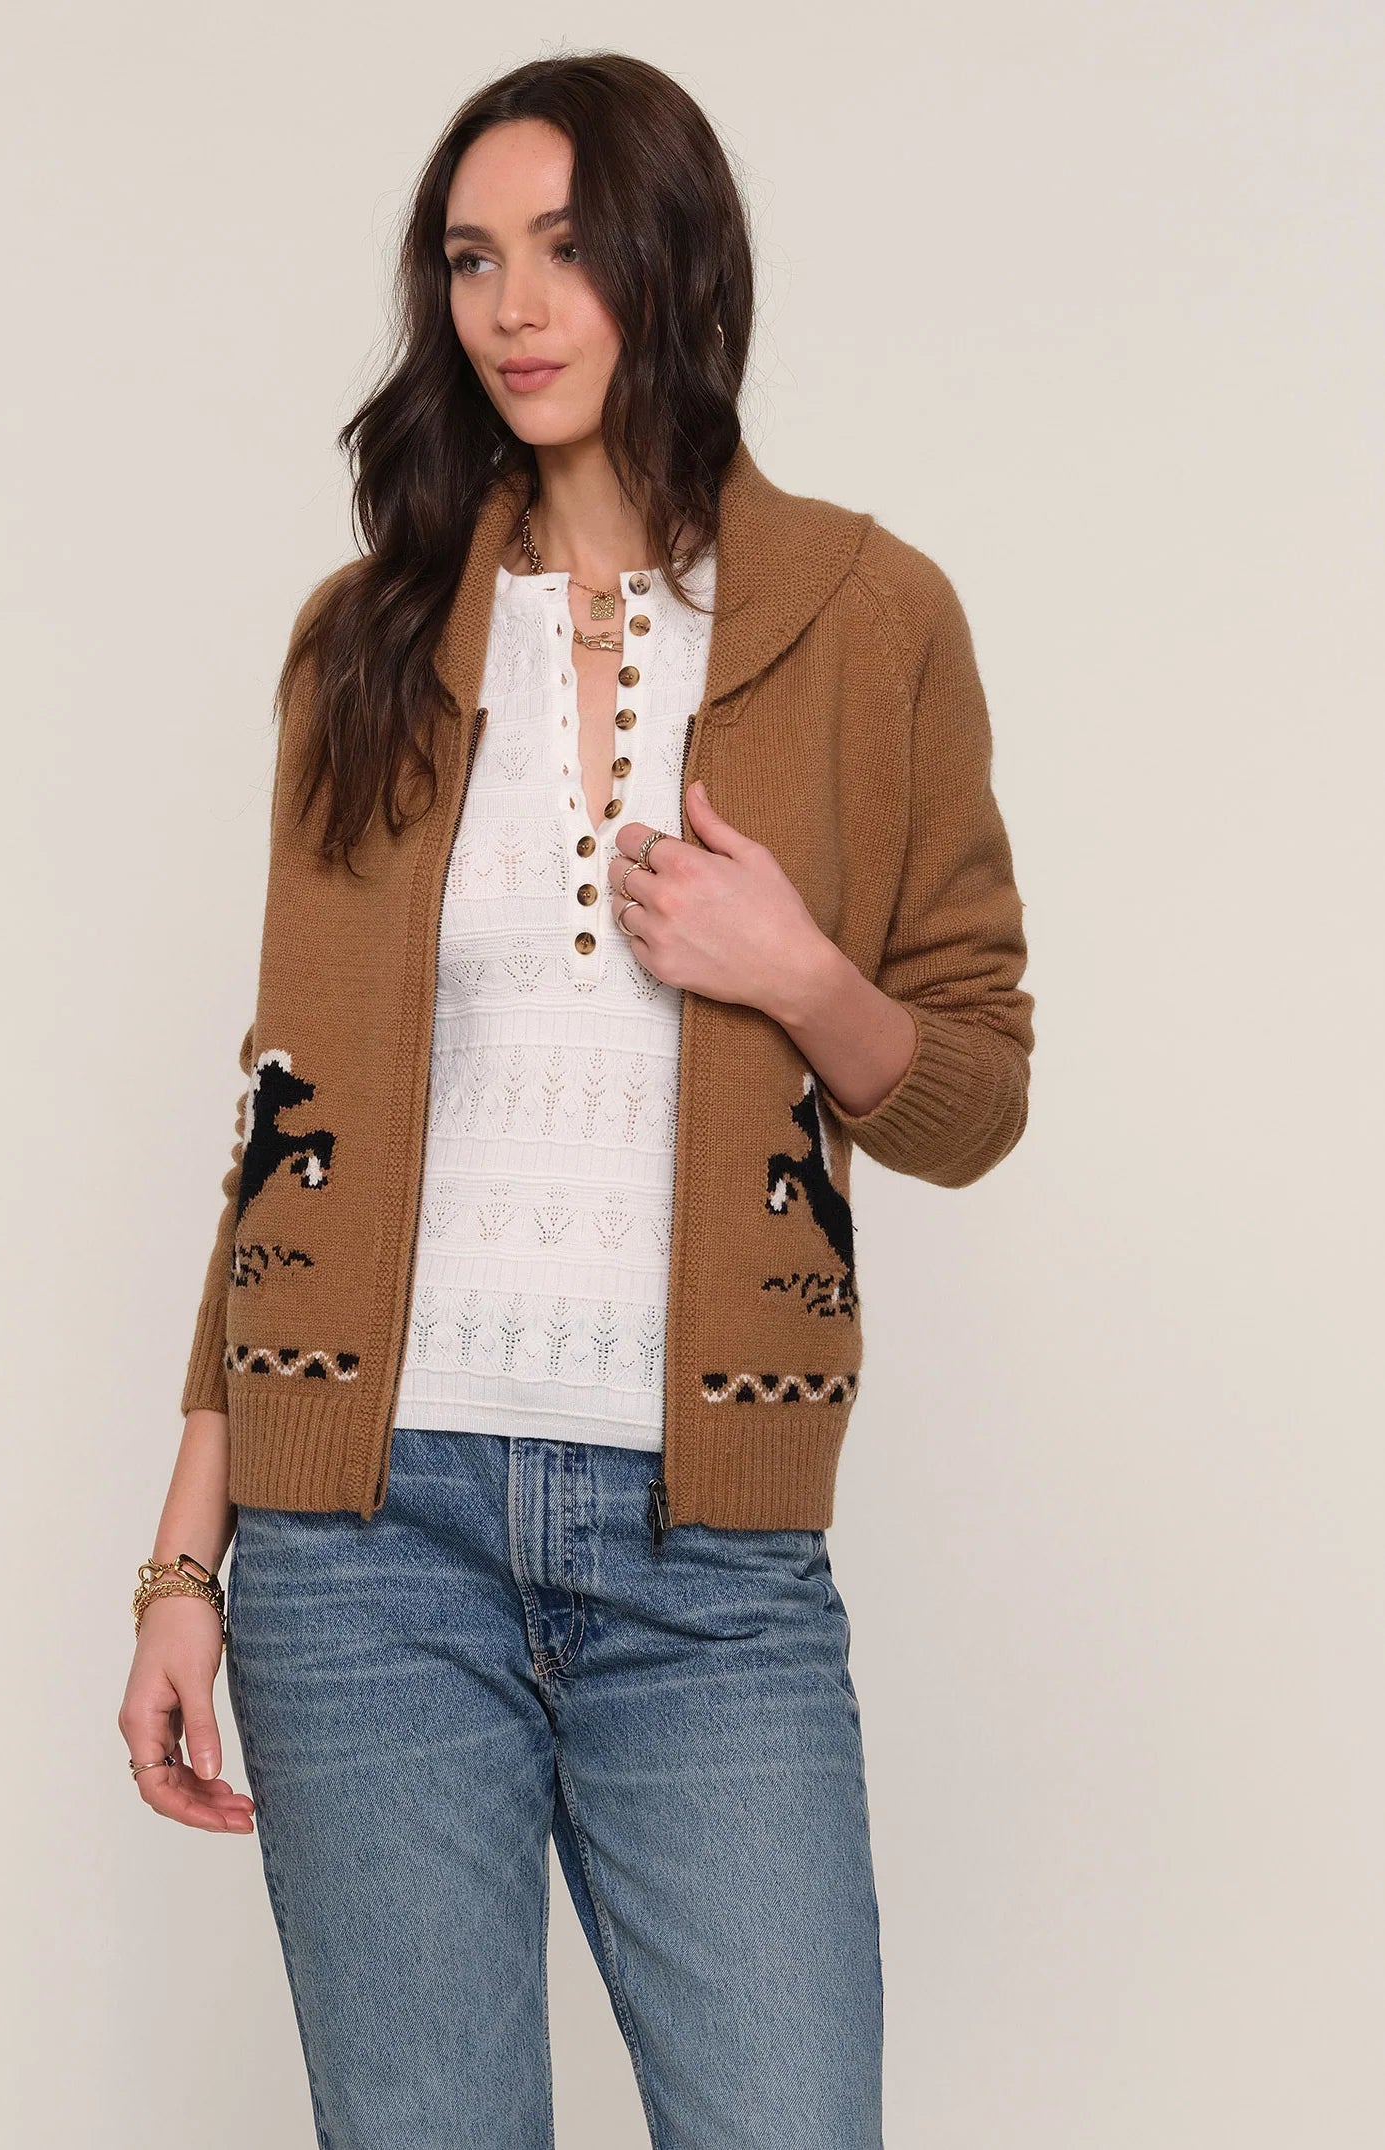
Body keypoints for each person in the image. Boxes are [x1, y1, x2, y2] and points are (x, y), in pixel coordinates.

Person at [118, 49, 1033, 2150]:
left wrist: (796, 972)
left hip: (710, 1553)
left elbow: (972, 1090)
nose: (512, 307)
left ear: (674, 267)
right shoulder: (365, 645)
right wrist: (183, 1564)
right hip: (366, 1539)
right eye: (470, 260)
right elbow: (281, 1121)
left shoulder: (868, 621)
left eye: (562, 248)